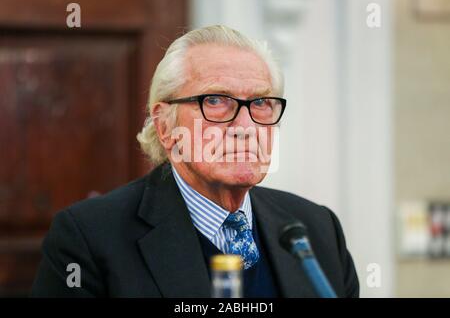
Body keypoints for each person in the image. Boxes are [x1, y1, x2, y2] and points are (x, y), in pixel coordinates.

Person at [31, 25, 359, 297]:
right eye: (215, 100)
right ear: (165, 126)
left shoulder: (316, 229)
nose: (245, 128)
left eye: (261, 102)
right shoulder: (89, 238)